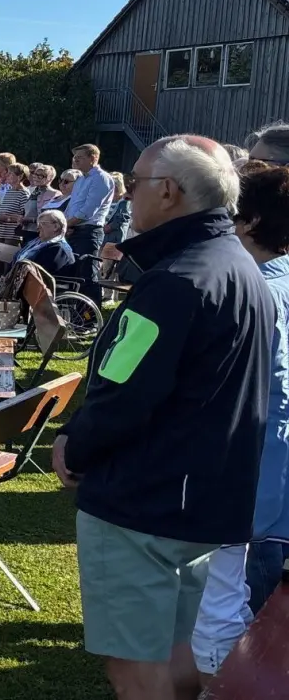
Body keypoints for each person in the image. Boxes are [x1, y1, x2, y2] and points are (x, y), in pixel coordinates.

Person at [53, 135, 270, 700]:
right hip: (199, 498)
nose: (127, 197)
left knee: (134, 669)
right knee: (178, 654)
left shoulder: (175, 281)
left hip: (143, 504)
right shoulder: (240, 267)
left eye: (134, 184)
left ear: (169, 191)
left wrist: (73, 446)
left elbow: (122, 392)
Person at [190, 162, 289, 681]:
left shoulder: (252, 290)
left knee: (241, 608)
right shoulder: (280, 279)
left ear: (248, 222)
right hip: (274, 461)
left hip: (253, 461)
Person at [66, 144, 116, 302]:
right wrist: (67, 225)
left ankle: (91, 318)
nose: (75, 160)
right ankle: (76, 312)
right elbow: (72, 206)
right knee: (74, 274)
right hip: (74, 230)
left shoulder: (101, 178)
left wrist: (66, 224)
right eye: (74, 157)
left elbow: (88, 211)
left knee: (87, 274)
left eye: (79, 157)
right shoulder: (81, 179)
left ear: (93, 158)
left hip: (89, 232)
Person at [13, 210, 76, 281]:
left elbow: (40, 274)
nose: (38, 228)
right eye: (38, 224)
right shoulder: (35, 243)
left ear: (56, 227)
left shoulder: (59, 249)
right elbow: (16, 258)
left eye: (42, 223)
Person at [20, 163, 61, 244]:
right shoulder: (33, 192)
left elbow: (51, 218)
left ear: (50, 178)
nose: (36, 177)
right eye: (35, 174)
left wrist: (31, 220)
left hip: (41, 233)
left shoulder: (55, 194)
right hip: (27, 231)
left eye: (41, 176)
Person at [0, 163, 30, 247]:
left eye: (10, 173)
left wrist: (6, 218)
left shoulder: (24, 193)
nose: (7, 175)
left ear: (20, 177)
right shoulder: (9, 191)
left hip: (12, 235)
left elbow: (24, 216)